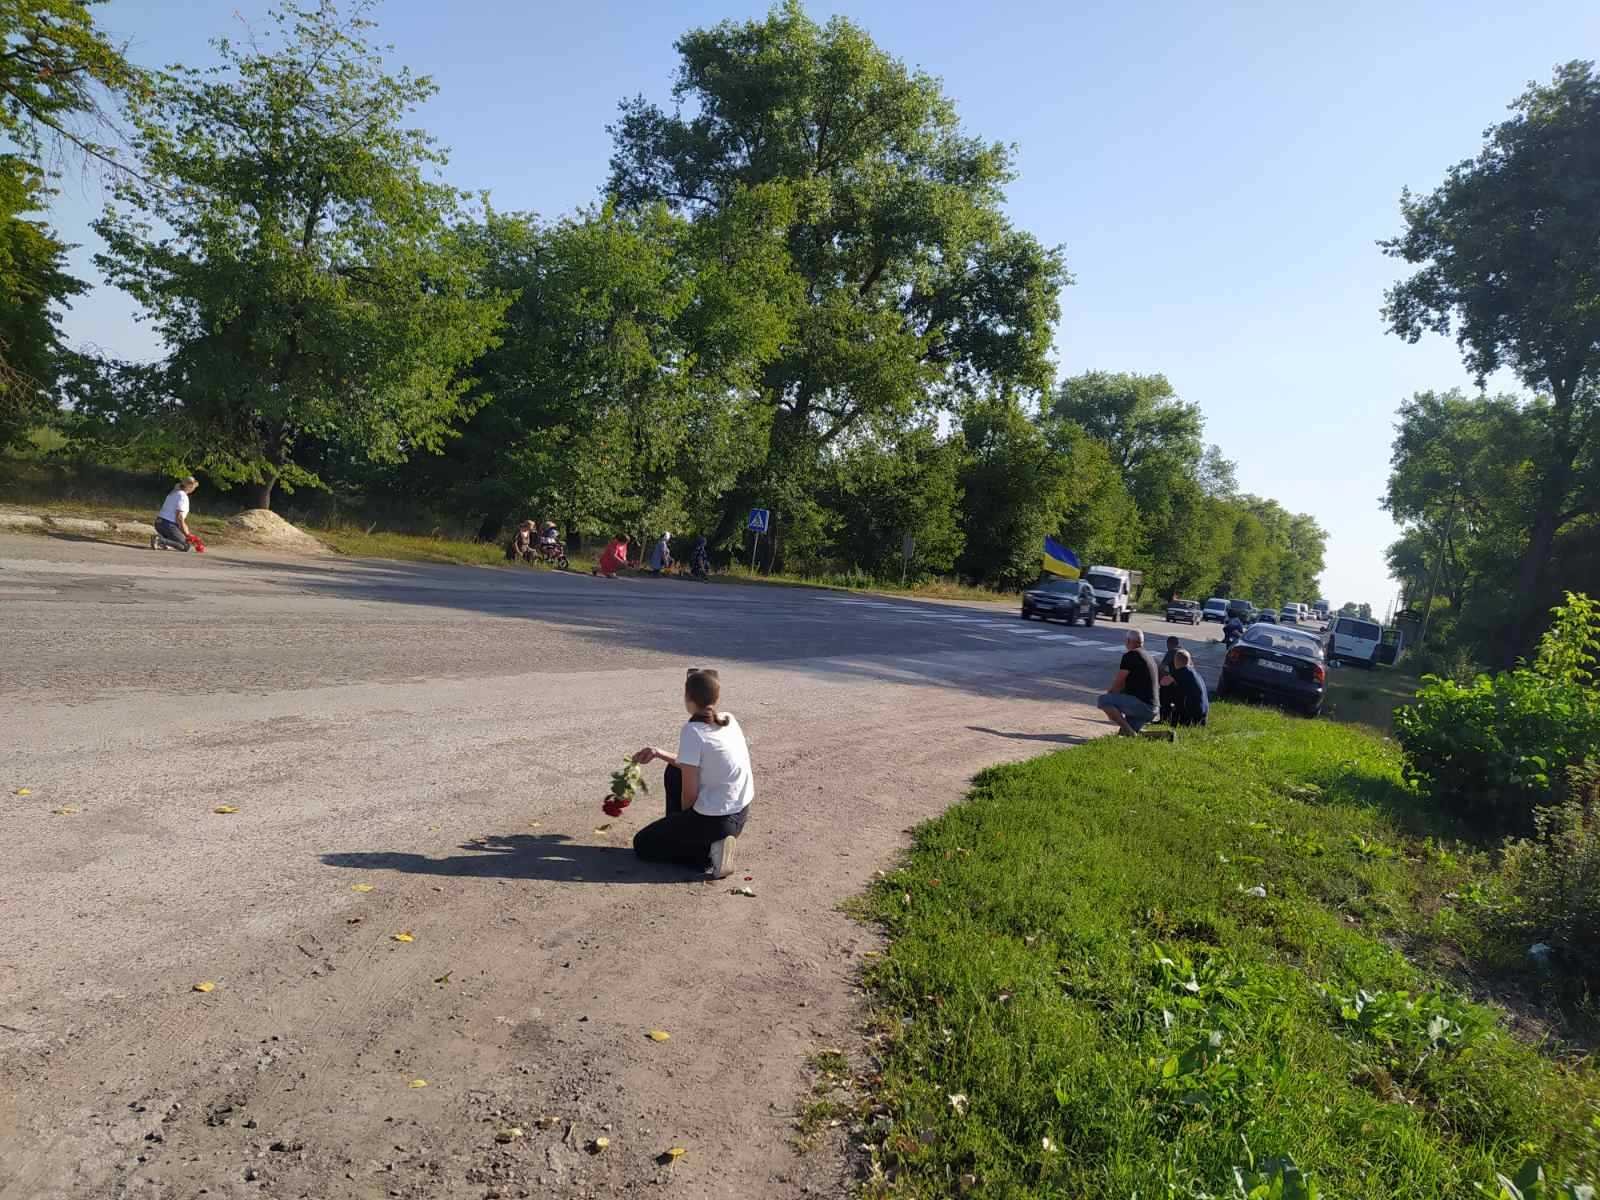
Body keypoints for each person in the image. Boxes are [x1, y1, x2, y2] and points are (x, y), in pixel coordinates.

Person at [631, 668, 752, 878]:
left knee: (642, 844)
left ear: (688, 698)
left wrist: (683, 825)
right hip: (739, 815)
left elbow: (689, 794)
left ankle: (706, 854)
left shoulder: (693, 732)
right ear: (717, 697)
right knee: (674, 769)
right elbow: (689, 764)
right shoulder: (728, 719)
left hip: (716, 822)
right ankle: (707, 842)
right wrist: (658, 753)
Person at [1098, 627, 1160, 736]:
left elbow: (1118, 683)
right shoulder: (1149, 656)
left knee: (1103, 700)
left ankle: (1131, 733)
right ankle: (1162, 735)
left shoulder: (1130, 655)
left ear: (1128, 641)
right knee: (1123, 734)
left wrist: (1110, 700)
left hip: (1142, 706)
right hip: (1153, 708)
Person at [152, 476, 199, 551]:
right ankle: (160, 540)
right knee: (185, 546)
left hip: (158, 523)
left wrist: (186, 533)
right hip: (168, 525)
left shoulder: (173, 493)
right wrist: (187, 534)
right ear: (190, 486)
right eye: (194, 487)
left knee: (177, 538)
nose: (194, 489)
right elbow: (179, 518)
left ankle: (164, 542)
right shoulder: (183, 496)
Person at [1168, 648, 1210, 727]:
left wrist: (1173, 724)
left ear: (1175, 661)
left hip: (1192, 716)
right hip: (1203, 713)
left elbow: (1178, 700)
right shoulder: (1194, 673)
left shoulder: (1179, 675)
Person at [1158, 635, 1182, 723]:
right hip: (1184, 682)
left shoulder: (1172, 652)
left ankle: (1164, 718)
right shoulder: (1184, 651)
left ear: (1169, 644)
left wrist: (1166, 676)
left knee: (1163, 693)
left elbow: (1161, 667)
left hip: (1175, 682)